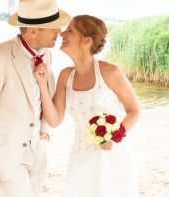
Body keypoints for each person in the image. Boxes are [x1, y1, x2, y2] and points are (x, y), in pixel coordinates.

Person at [0, 0, 71, 197]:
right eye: (53, 27)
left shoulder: (46, 55)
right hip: (7, 158)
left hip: (37, 153)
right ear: (33, 30)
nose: (59, 31)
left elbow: (40, 98)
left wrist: (44, 131)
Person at [34, 15, 140, 197]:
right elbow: (54, 120)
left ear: (86, 40)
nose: (62, 34)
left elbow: (135, 110)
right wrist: (42, 85)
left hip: (111, 156)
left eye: (70, 30)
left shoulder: (110, 72)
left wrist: (114, 137)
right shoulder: (65, 76)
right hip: (80, 155)